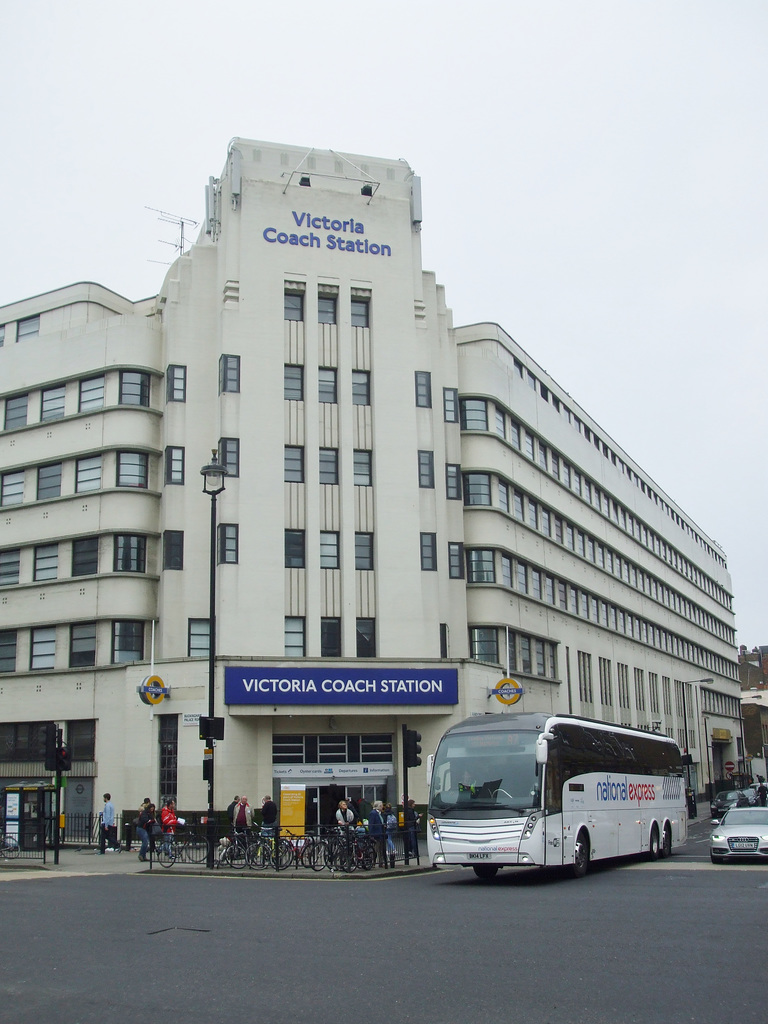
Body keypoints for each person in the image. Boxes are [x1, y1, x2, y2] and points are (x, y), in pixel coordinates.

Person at [368, 800, 386, 868]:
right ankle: (373, 863)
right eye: (381, 806)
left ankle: (381, 863)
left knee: (381, 850)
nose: (382, 807)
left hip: (380, 834)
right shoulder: (373, 813)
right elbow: (371, 824)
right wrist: (371, 834)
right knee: (375, 850)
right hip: (376, 834)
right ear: (378, 806)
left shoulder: (380, 813)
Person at [383, 802, 398, 868]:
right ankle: (388, 850)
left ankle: (393, 849)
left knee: (388, 839)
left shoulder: (385, 813)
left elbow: (384, 820)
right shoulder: (392, 812)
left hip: (387, 827)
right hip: (392, 827)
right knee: (390, 838)